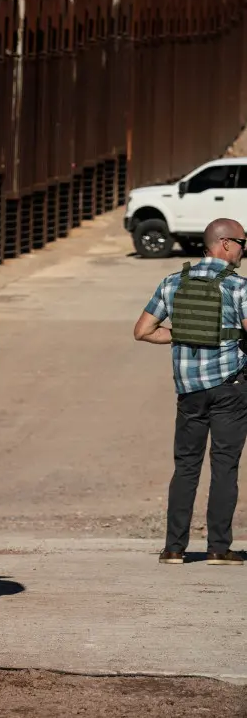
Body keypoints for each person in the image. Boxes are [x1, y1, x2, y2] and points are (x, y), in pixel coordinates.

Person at [134, 217, 247, 566]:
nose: (245, 249)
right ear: (225, 243)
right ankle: (218, 548)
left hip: (189, 392)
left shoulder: (172, 283)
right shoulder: (239, 287)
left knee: (186, 467)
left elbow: (142, 330)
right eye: (243, 242)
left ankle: (173, 548)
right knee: (225, 466)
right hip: (229, 388)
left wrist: (183, 334)